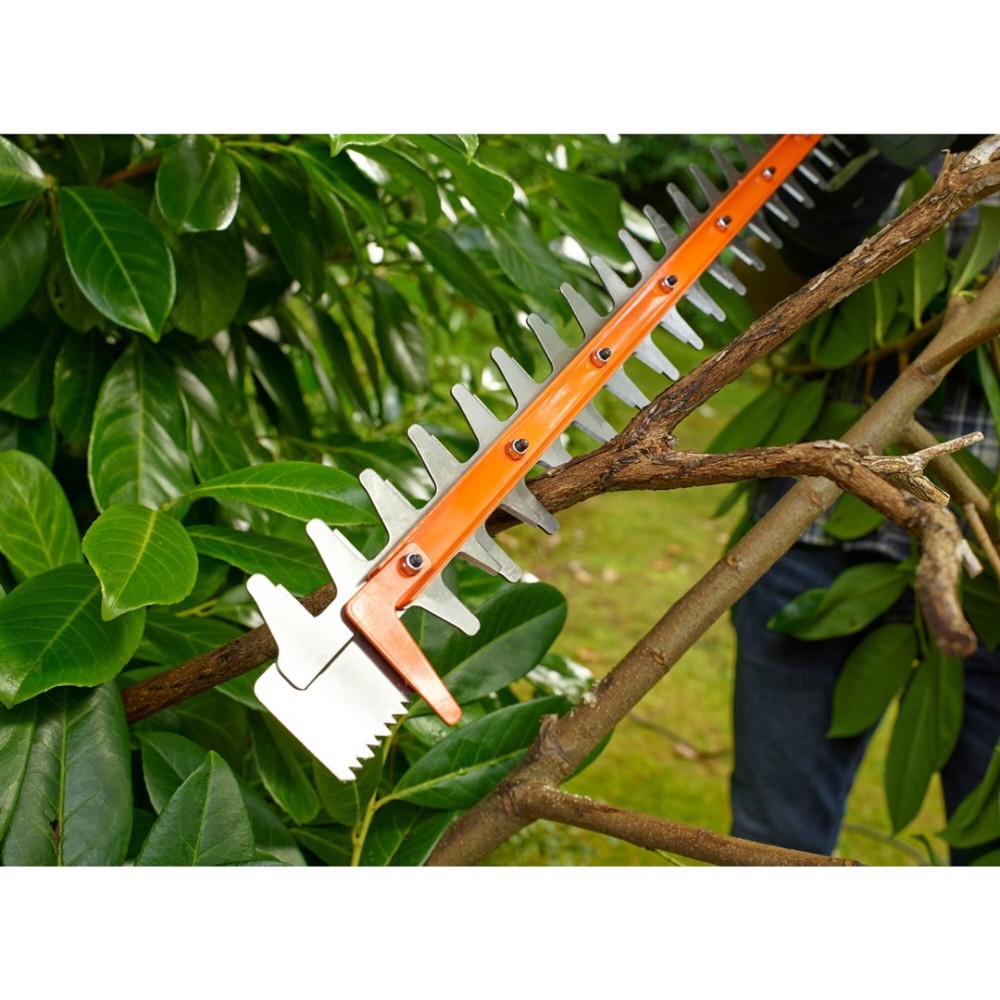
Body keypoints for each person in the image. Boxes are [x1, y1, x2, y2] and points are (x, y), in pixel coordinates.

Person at [728, 134, 1000, 865]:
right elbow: (749, 306)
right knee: (774, 842)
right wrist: (813, 233)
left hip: (993, 563)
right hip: (813, 536)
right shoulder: (872, 131)